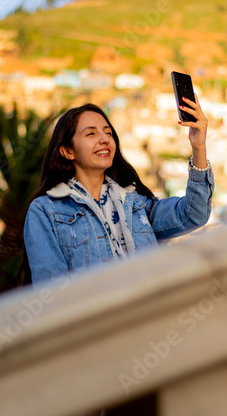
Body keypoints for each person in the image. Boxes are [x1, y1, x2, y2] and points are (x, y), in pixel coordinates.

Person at [23, 98, 213, 284]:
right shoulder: (45, 211)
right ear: (67, 151)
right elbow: (52, 289)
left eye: (108, 133)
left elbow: (193, 214)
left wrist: (199, 148)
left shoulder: (135, 203)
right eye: (91, 134)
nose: (105, 139)